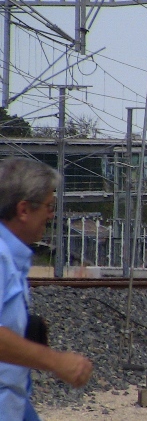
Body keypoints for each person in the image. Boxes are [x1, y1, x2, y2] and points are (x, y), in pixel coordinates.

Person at [0, 157, 93, 420]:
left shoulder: (11, 258)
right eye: (49, 207)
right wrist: (55, 361)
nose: (51, 216)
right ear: (23, 210)